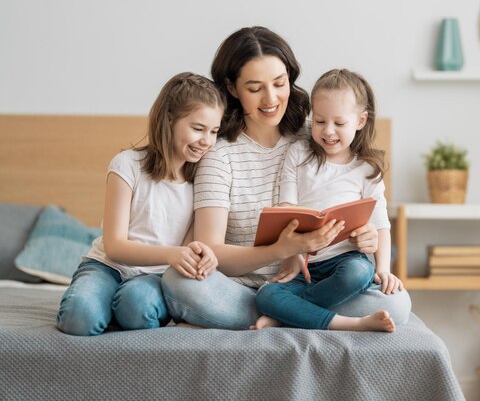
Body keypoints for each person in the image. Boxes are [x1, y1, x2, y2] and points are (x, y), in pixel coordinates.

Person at [161, 26, 411, 330]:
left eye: (279, 84)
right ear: (231, 88)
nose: (271, 99)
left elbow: (359, 200)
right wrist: (281, 251)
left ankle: (285, 314)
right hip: (240, 290)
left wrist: (366, 236)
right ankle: (290, 312)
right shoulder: (220, 155)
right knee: (179, 281)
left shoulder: (318, 136)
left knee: (397, 303)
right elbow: (211, 249)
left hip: (317, 283)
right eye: (255, 88)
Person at [56, 72, 225, 336]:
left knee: (136, 307)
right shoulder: (127, 164)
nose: (207, 141)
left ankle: (117, 309)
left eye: (214, 131)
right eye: (198, 128)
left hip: (156, 277)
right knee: (80, 317)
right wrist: (171, 253)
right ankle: (104, 307)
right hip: (108, 267)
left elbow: (190, 246)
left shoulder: (202, 180)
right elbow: (114, 246)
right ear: (169, 119)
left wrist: (200, 257)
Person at [253, 69, 402, 332]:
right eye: (320, 121)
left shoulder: (366, 169)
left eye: (339, 123)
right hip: (303, 264)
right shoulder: (298, 154)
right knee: (265, 296)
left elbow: (381, 224)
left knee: (360, 273)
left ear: (360, 120)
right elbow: (286, 209)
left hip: (344, 262)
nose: (328, 131)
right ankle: (350, 323)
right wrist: (292, 253)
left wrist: (384, 269)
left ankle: (286, 315)